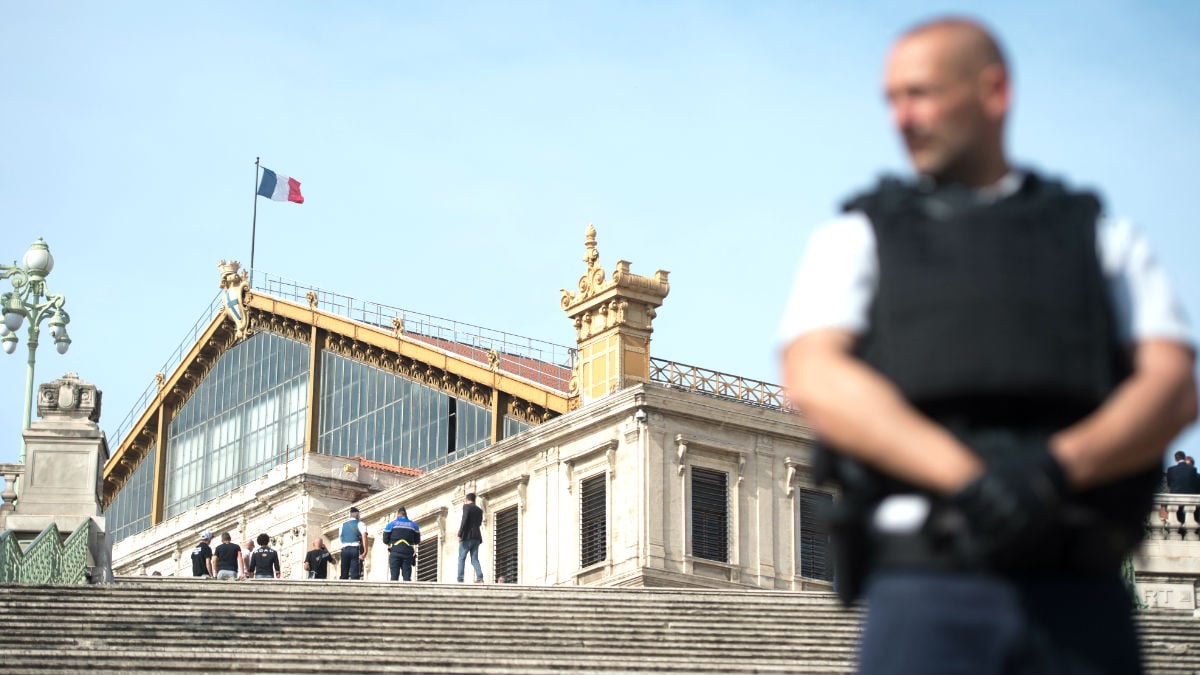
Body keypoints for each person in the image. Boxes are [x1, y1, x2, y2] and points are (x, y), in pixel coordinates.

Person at [779, 16, 1197, 675]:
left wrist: (1051, 471)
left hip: (1074, 587)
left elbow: (1171, 383)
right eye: (891, 99)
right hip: (926, 582)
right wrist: (974, 480)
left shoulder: (1103, 238)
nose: (902, 118)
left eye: (920, 94)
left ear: (993, 91)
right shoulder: (856, 236)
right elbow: (814, 375)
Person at [382, 506, 421, 582]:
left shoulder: (391, 524)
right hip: (407, 553)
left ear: (398, 514)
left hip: (395, 552)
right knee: (406, 576)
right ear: (406, 515)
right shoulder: (414, 525)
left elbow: (385, 540)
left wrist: (392, 541)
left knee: (394, 576)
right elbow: (417, 541)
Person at [457, 492, 484, 583]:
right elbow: (479, 523)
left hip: (467, 536)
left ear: (467, 499)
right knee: (474, 558)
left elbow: (464, 520)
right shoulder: (479, 510)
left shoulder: (466, 507)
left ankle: (460, 579)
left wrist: (460, 534)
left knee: (461, 558)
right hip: (477, 537)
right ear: (474, 500)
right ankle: (480, 577)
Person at [338, 506, 369, 580]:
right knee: (355, 573)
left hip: (344, 549)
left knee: (344, 572)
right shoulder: (360, 524)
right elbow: (364, 536)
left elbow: (340, 537)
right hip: (355, 549)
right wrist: (365, 551)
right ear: (358, 515)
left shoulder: (342, 525)